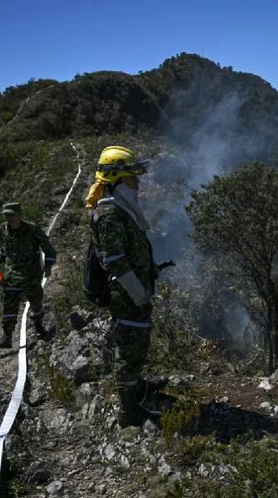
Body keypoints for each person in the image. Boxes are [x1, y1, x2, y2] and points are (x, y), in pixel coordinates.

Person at [85, 146, 168, 427]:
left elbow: (130, 251)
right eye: (133, 178)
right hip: (126, 294)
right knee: (129, 349)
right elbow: (115, 261)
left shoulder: (120, 209)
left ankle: (138, 386)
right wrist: (138, 292)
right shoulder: (110, 214)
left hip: (134, 289)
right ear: (118, 181)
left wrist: (149, 270)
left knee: (138, 342)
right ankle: (129, 410)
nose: (138, 183)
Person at [0, 202, 57, 348]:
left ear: (19, 215)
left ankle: (39, 328)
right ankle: (7, 337)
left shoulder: (32, 230)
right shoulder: (2, 230)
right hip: (11, 274)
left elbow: (49, 250)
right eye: (6, 215)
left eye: (11, 215)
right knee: (9, 304)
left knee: (36, 301)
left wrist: (48, 266)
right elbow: (4, 249)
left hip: (30, 274)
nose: (9, 218)